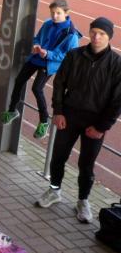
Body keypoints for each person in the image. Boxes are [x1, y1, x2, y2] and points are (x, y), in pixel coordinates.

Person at [35, 17, 121, 224]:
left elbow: (118, 100)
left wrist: (101, 127)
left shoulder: (117, 64)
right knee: (58, 157)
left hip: (95, 122)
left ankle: (83, 200)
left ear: (109, 37)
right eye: (94, 32)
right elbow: (59, 83)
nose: (96, 37)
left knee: (86, 164)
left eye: (102, 34)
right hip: (69, 116)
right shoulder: (74, 55)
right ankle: (54, 190)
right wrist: (58, 112)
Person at [1, 0, 81, 139]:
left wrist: (48, 54)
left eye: (58, 13)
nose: (54, 16)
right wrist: (36, 45)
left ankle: (44, 121)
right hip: (36, 58)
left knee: (37, 88)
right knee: (19, 80)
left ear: (67, 13)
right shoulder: (47, 24)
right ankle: (12, 110)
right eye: (52, 13)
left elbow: (69, 56)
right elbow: (37, 38)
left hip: (48, 63)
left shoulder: (71, 34)